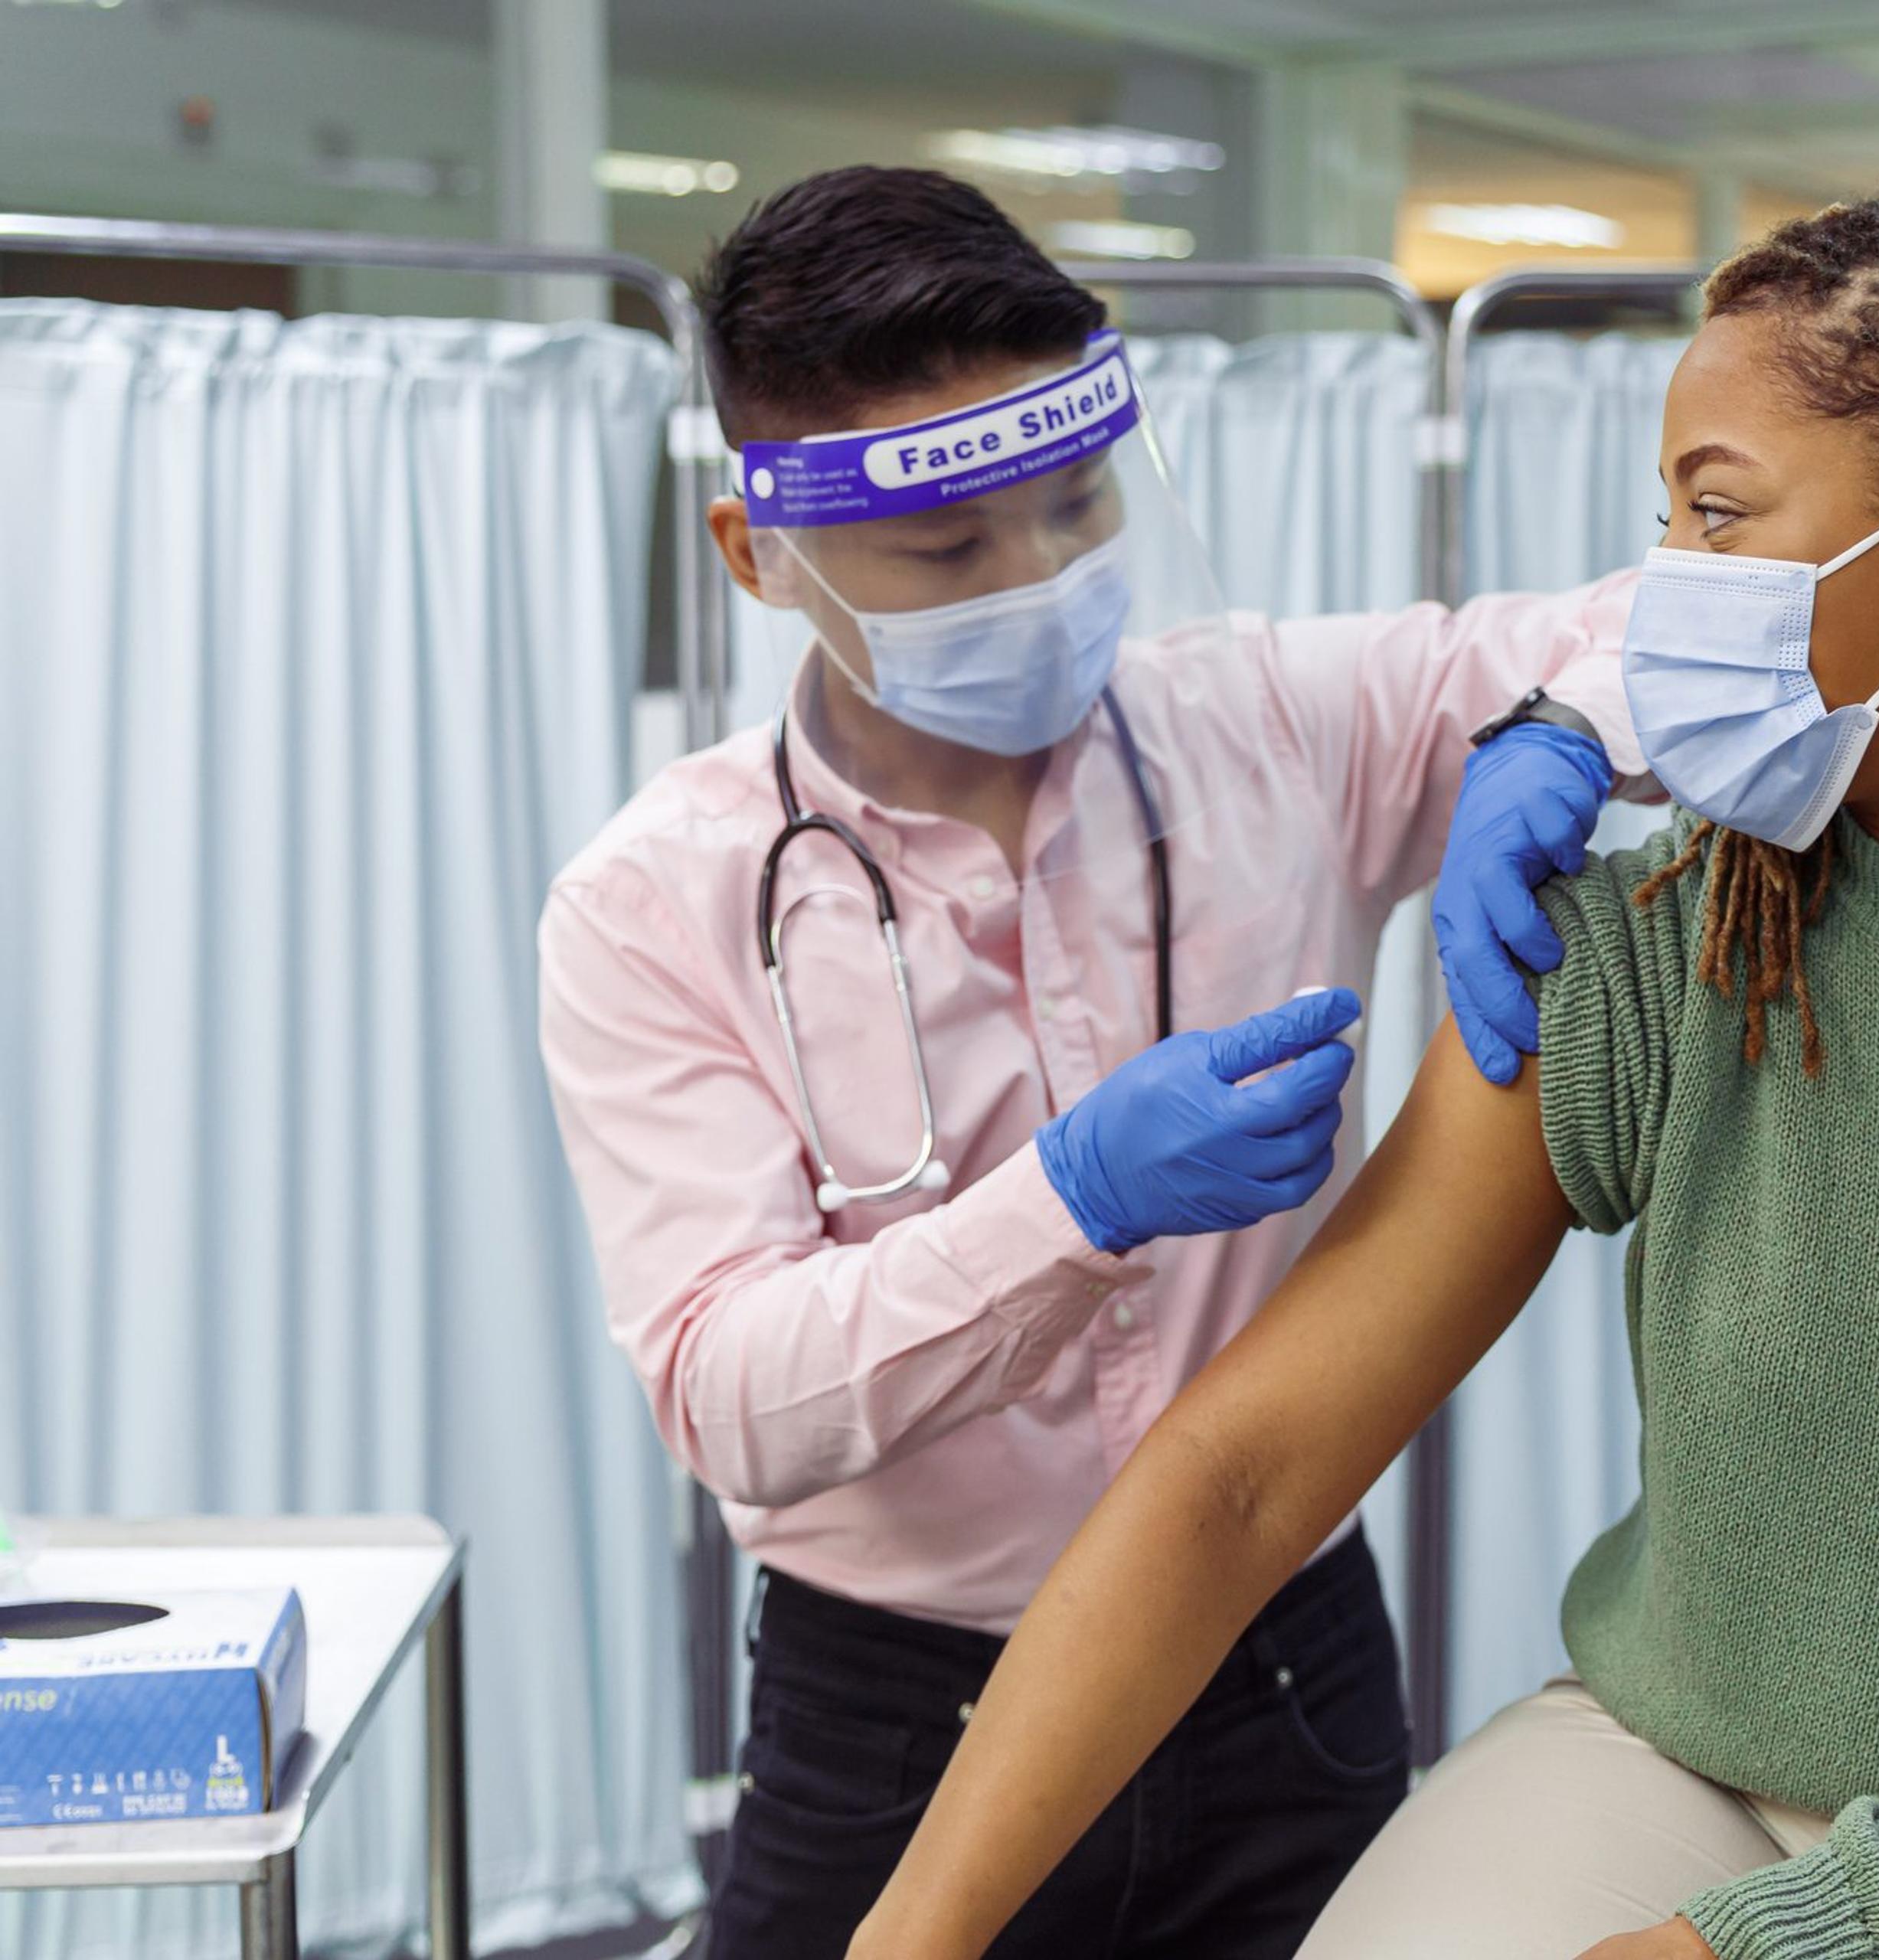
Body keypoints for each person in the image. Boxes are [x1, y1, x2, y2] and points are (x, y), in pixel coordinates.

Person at [845, 181, 1879, 1960]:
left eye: (1719, 518)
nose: (1660, 598)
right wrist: (909, 1938)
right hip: (1687, 1761)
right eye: (1663, 518)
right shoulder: (1669, 940)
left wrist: (1760, 1948)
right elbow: (1247, 1470)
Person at [536, 165, 1646, 1959]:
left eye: (1074, 508)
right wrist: (1072, 1201)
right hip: (894, 1711)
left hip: (1277, 1663)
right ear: (762, 553)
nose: (1041, 580)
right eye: (948, 551)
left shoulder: (1271, 721)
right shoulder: (655, 905)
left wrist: (1569, 727)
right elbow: (730, 1389)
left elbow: (1700, 612)